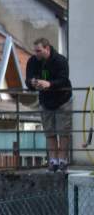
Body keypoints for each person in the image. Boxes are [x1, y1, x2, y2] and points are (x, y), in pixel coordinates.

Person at [25, 37, 72, 172]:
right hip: (45, 101)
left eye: (39, 51)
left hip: (63, 100)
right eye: (35, 51)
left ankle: (62, 160)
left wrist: (49, 84)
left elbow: (63, 80)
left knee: (63, 131)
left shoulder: (60, 60)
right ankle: (53, 161)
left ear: (47, 48)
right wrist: (32, 83)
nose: (36, 54)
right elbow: (28, 79)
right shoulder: (33, 61)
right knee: (49, 132)